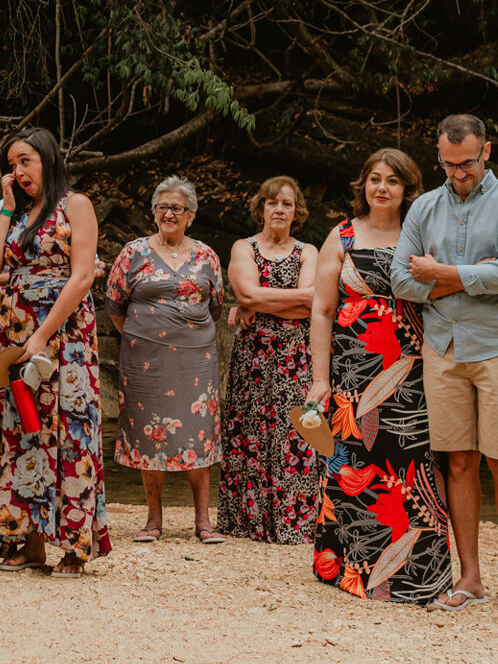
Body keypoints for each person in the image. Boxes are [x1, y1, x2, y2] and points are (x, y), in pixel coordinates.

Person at [389, 114, 498, 615]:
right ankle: (470, 576)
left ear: (486, 152)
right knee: (458, 462)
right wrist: (470, 276)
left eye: (467, 164)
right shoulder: (424, 208)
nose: (458, 173)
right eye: (449, 164)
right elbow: (400, 281)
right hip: (444, 348)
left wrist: (439, 272)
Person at [308, 149, 452, 604]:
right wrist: (319, 379)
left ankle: (419, 573)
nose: (382, 188)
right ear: (363, 185)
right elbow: (322, 310)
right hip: (353, 373)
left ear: (408, 188)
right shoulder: (342, 235)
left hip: (413, 369)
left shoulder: (422, 235)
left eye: (392, 180)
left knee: (411, 465)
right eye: (374, 178)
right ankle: (348, 568)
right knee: (354, 462)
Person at [0, 126, 109, 577]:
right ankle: (28, 541)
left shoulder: (76, 204)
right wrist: (6, 207)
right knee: (21, 428)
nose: (17, 170)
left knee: (69, 429)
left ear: (48, 160)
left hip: (64, 332)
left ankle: (74, 546)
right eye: (11, 164)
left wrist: (42, 336)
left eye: (25, 161)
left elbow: (82, 275)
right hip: (16, 328)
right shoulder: (15, 213)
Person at [103, 176, 224, 544]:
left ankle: (203, 520)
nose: (169, 214)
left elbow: (215, 306)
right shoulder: (133, 253)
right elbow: (114, 305)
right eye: (162, 207)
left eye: (177, 208)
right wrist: (146, 335)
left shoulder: (207, 255)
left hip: (196, 360)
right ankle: (153, 519)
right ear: (154, 212)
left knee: (197, 433)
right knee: (148, 432)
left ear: (190, 215)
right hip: (146, 361)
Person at [217, 176, 322, 543]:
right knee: (252, 430)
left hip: (296, 354)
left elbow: (312, 303)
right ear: (261, 208)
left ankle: (296, 522)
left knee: (297, 432)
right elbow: (246, 293)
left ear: (296, 212)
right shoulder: (243, 247)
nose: (279, 209)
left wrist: (259, 303)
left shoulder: (308, 251)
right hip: (254, 356)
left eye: (287, 204)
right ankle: (250, 521)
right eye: (272, 202)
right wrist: (287, 299)